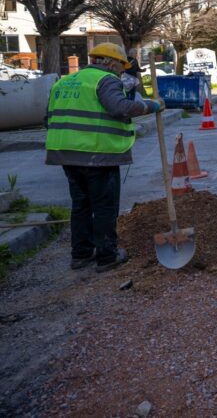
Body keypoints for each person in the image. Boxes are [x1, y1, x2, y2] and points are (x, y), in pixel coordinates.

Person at [45, 43, 162, 272]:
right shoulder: (105, 80)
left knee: (81, 205)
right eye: (120, 67)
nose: (121, 72)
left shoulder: (64, 82)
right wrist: (151, 106)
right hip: (97, 154)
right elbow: (119, 107)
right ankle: (107, 256)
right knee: (104, 206)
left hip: (65, 154)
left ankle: (81, 254)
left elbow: (47, 117)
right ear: (110, 63)